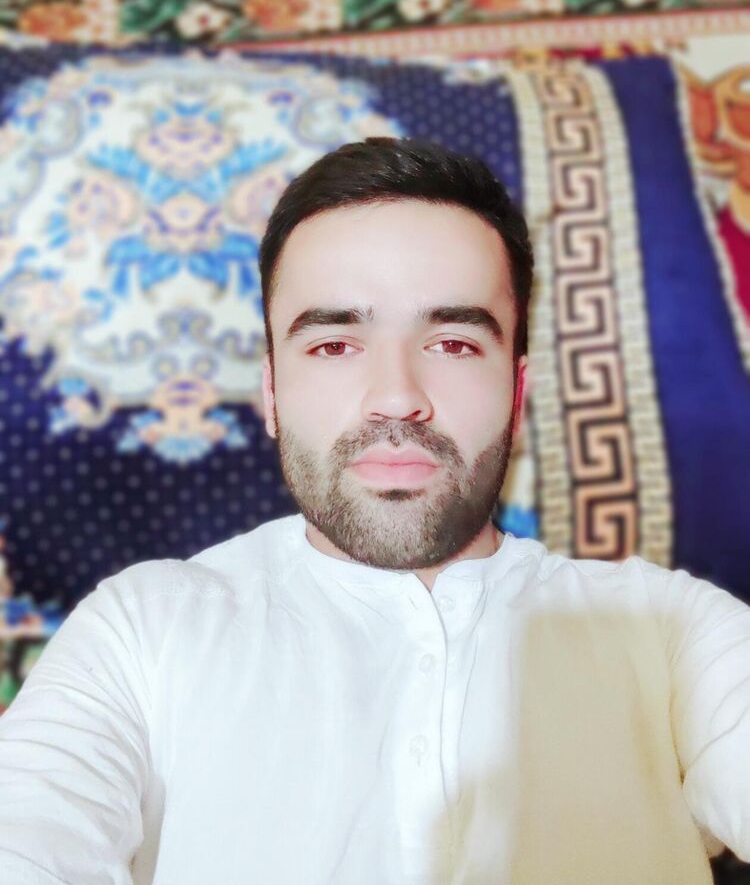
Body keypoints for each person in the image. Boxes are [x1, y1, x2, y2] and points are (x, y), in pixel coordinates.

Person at [0, 137, 748, 885]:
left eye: (454, 344)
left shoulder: (672, 631)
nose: (396, 397)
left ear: (517, 394)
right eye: (334, 346)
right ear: (271, 391)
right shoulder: (140, 631)